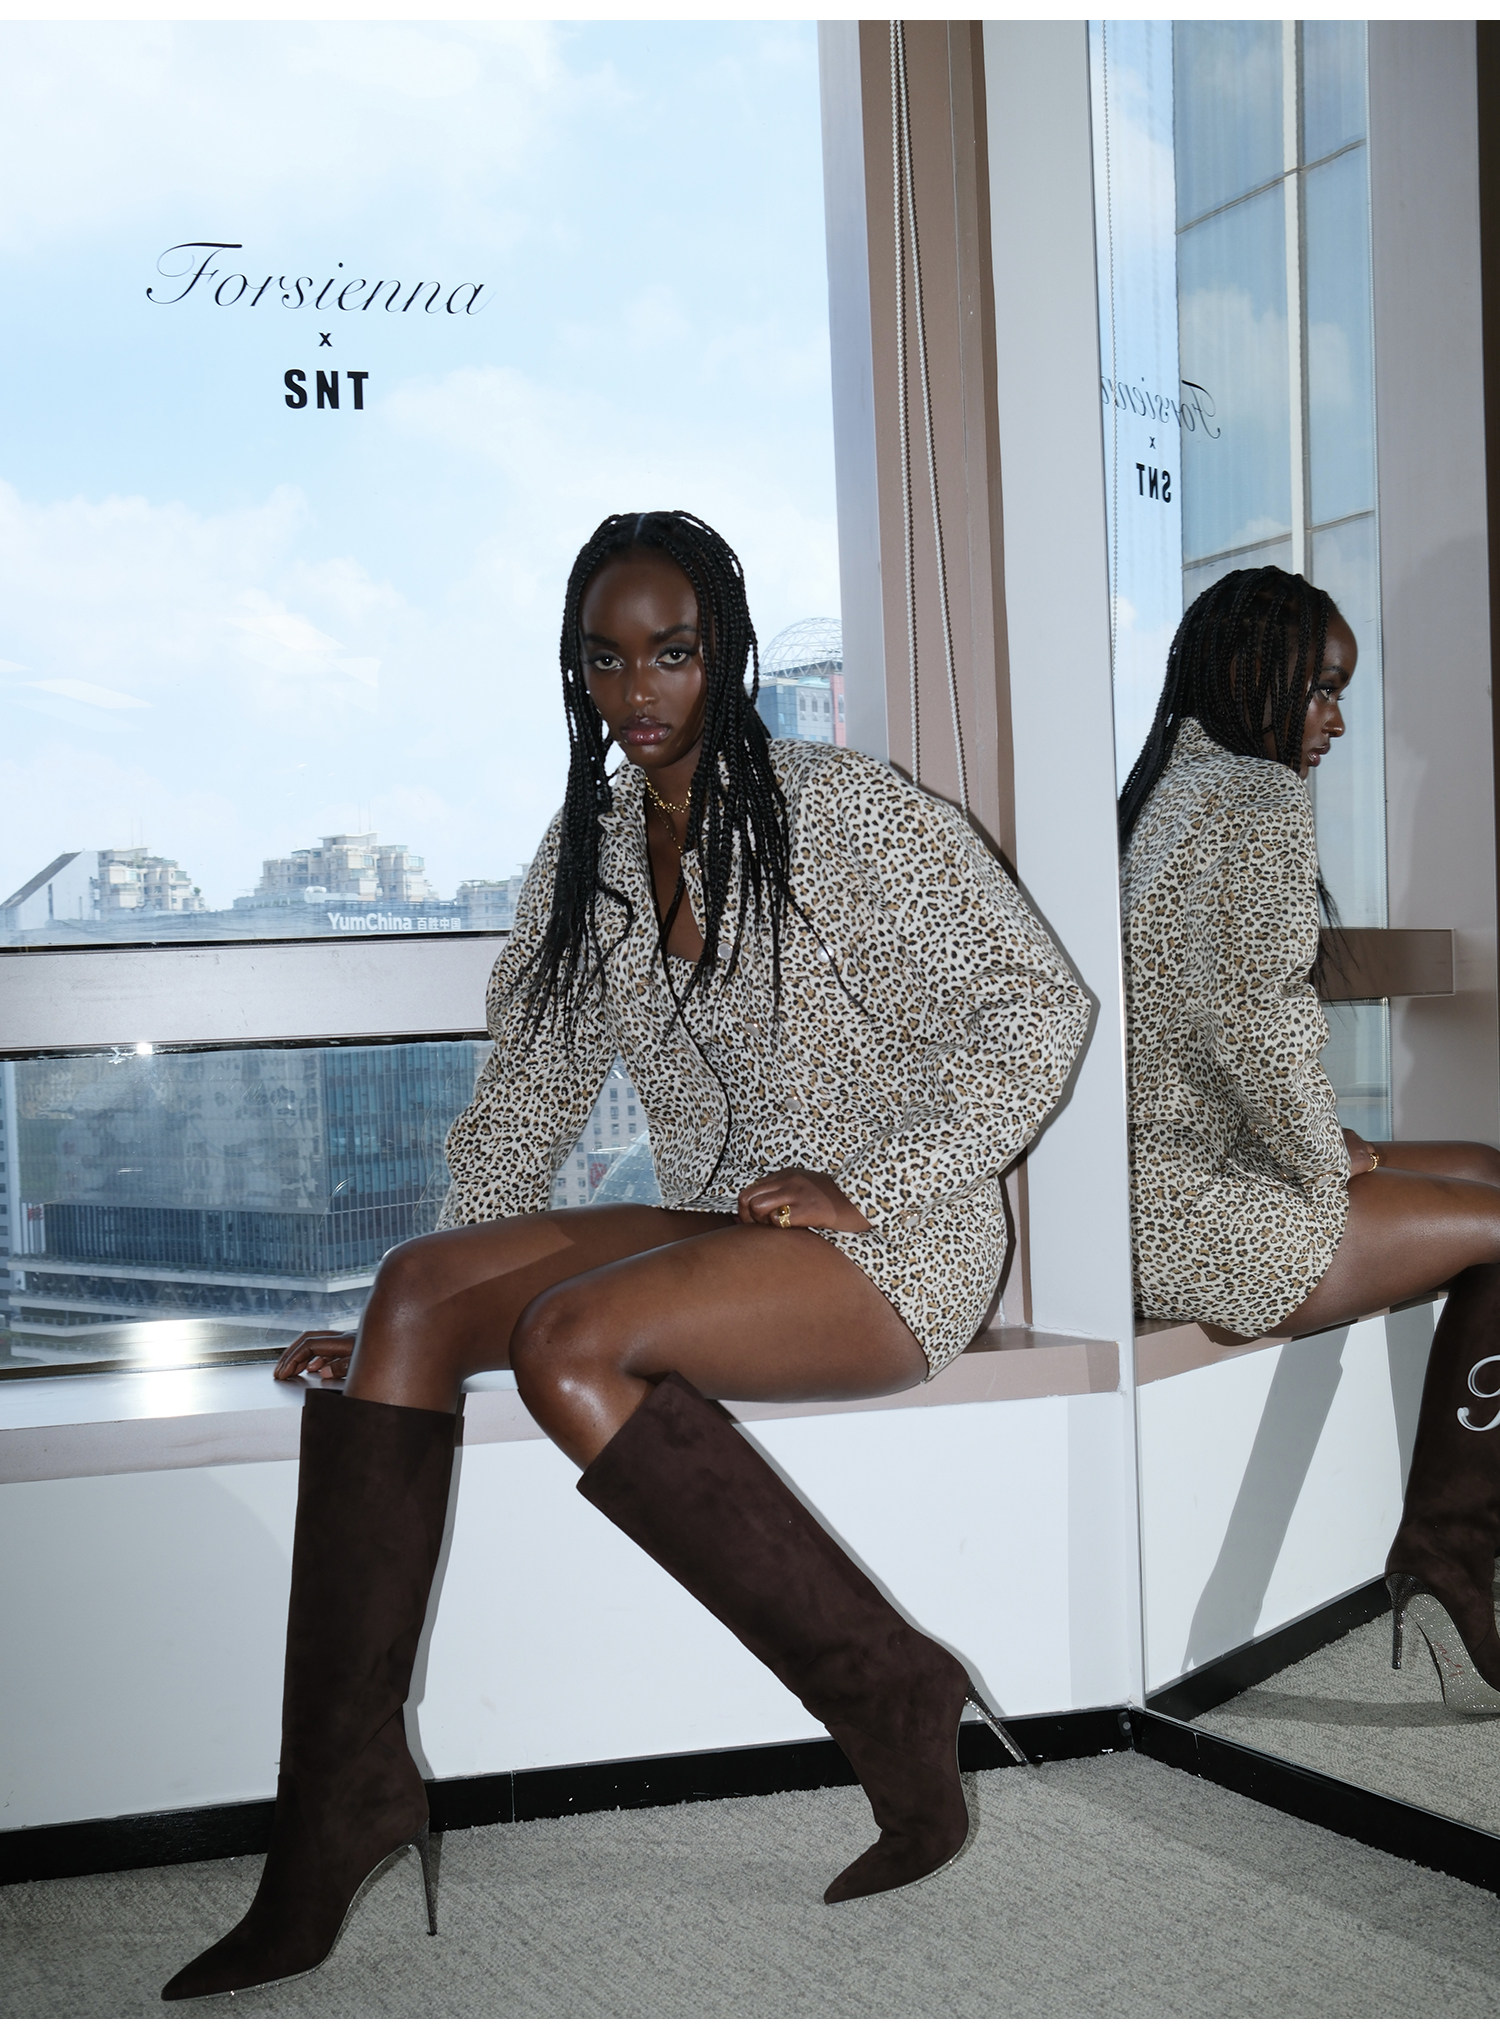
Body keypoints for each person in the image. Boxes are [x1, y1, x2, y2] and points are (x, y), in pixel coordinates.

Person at [162, 509, 1090, 2000]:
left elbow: (1039, 1007)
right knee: (411, 1293)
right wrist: (408, 1343)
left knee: (565, 1341)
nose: (636, 688)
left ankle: (889, 1689)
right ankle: (341, 1800)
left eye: (670, 652)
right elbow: (527, 1090)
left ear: (725, 655)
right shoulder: (587, 851)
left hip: (895, 1241)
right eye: (605, 658)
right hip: (721, 1222)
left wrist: (870, 1178)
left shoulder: (846, 811)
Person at [1119, 563, 1500, 1716]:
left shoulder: (1168, 790)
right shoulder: (1257, 798)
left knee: (1483, 1170)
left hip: (1152, 1186)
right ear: (1253, 669)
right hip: (1199, 1210)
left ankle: (1449, 1543)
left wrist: (1324, 1136)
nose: (1335, 717)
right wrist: (1327, 1154)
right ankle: (1447, 1554)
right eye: (1322, 687)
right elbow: (1259, 1016)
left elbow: (1214, 1022)